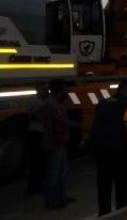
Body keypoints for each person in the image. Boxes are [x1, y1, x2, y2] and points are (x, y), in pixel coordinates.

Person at [90, 80, 127, 216]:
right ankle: (121, 211)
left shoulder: (103, 103)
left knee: (103, 184)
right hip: (119, 151)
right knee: (121, 183)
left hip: (100, 149)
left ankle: (104, 212)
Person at [40, 80, 73, 209]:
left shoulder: (53, 103)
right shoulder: (53, 104)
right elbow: (61, 122)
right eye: (65, 89)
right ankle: (52, 200)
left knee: (60, 171)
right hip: (54, 142)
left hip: (58, 141)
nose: (67, 91)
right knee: (54, 173)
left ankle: (60, 197)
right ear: (59, 90)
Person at [26, 82, 48, 195]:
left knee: (37, 161)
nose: (46, 91)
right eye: (44, 88)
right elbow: (35, 116)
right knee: (37, 161)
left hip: (37, 133)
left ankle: (35, 185)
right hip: (37, 133)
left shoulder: (37, 101)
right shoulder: (36, 102)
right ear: (38, 89)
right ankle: (35, 186)